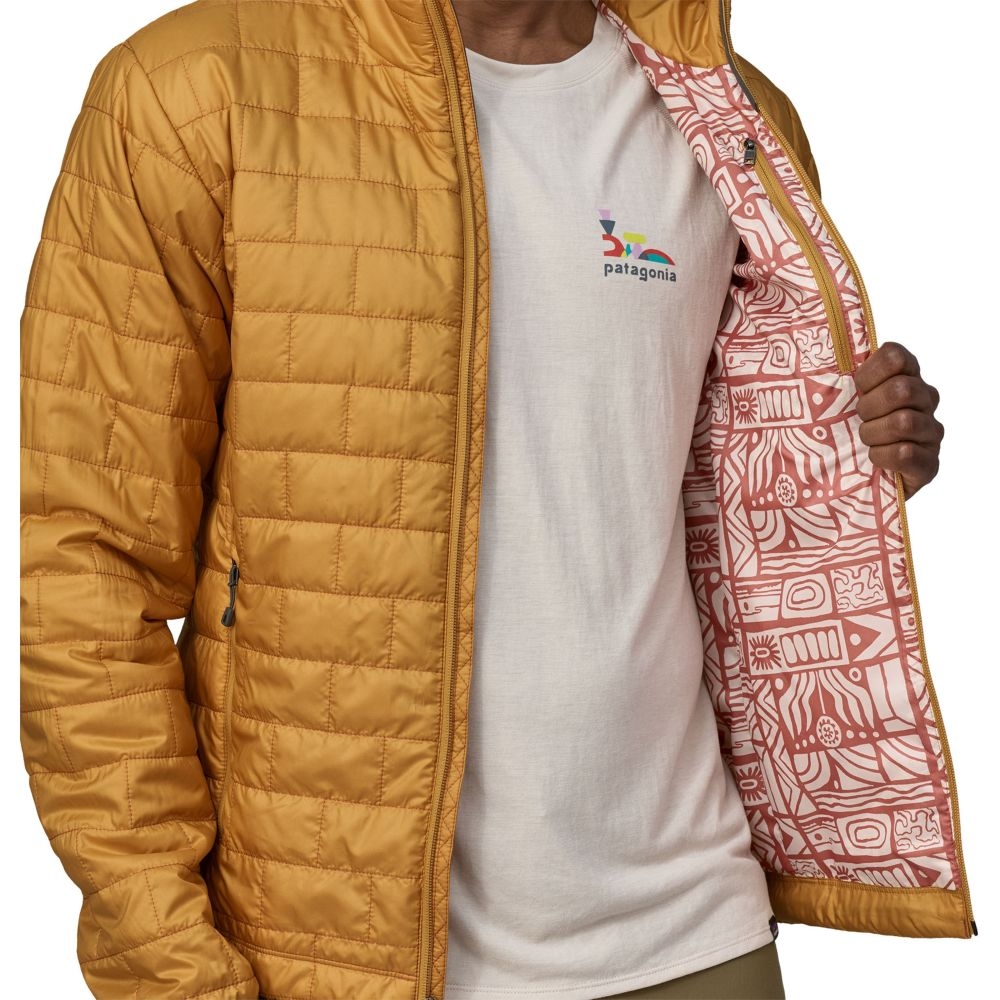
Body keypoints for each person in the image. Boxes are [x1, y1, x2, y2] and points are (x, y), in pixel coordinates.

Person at [19, 2, 965, 1000]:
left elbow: (702, 481)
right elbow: (89, 569)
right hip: (341, 946)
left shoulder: (728, 114)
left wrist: (840, 456)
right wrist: (166, 960)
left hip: (696, 924)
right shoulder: (196, 89)